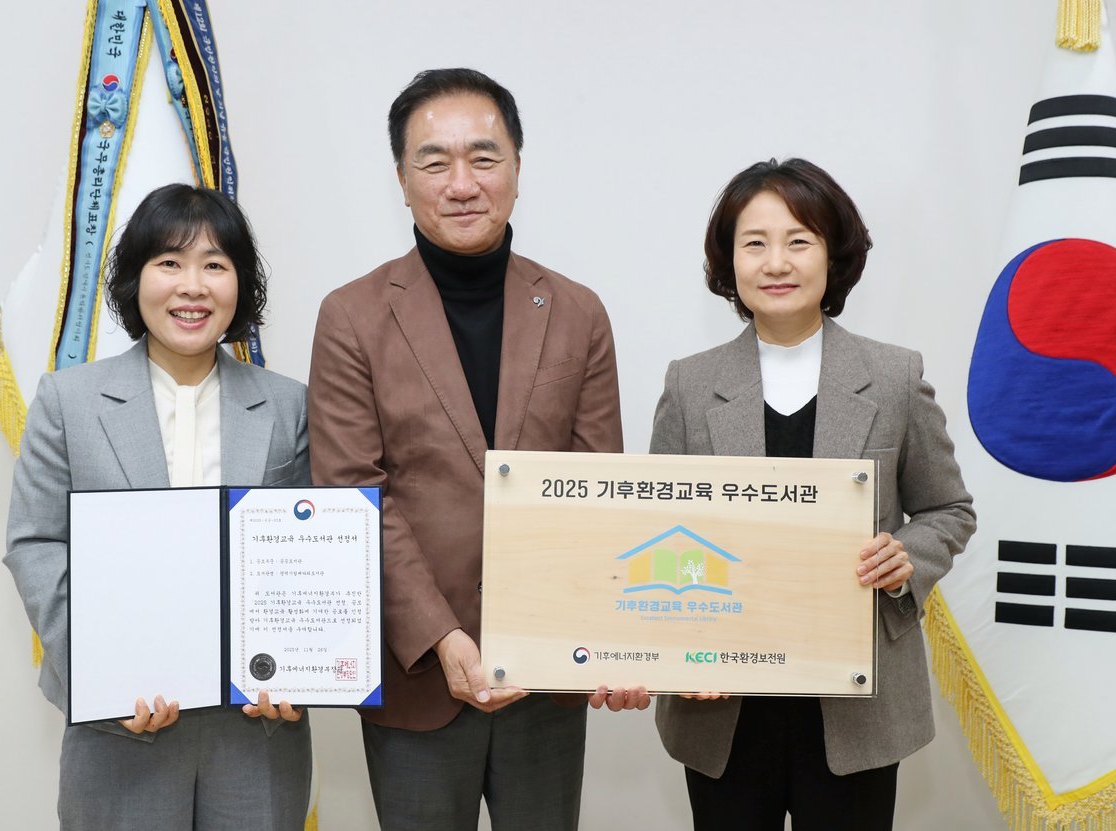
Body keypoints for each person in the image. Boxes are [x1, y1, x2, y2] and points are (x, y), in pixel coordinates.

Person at [307, 68, 648, 831]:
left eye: (484, 157)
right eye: (435, 161)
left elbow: (599, 490)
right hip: (418, 677)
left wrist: (577, 635)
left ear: (518, 168)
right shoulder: (351, 316)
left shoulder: (578, 312)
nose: (462, 183)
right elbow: (354, 495)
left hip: (549, 675)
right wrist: (441, 634)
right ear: (402, 180)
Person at [650, 158, 976, 830]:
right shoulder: (689, 384)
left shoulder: (894, 376)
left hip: (857, 702)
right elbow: (659, 532)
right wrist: (676, 649)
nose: (777, 262)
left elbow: (948, 509)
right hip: (724, 703)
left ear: (834, 255)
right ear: (729, 260)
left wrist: (905, 557)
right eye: (755, 242)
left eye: (799, 240)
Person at [4, 184, 311, 830]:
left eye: (214, 264)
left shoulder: (290, 405)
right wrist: (101, 674)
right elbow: (36, 543)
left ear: (241, 284)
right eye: (169, 262)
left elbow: (316, 554)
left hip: (256, 729)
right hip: (118, 727)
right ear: (135, 278)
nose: (191, 286)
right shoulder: (67, 401)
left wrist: (302, 670)